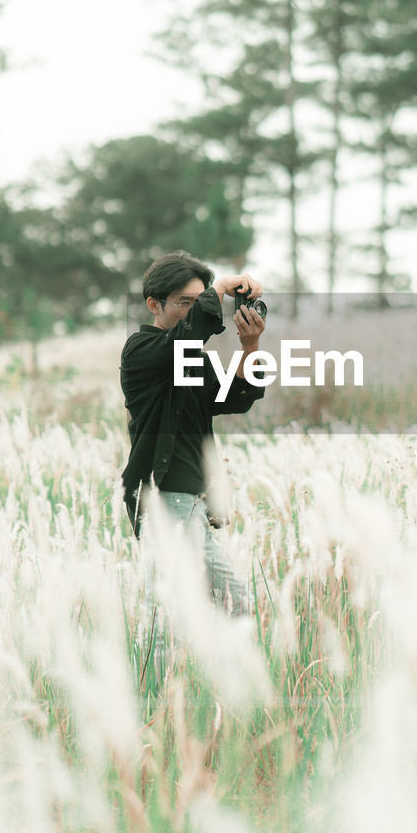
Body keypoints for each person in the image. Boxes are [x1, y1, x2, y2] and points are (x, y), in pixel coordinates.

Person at [120, 250, 266, 616]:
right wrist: (217, 290)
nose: (192, 311)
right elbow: (185, 337)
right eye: (185, 302)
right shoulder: (141, 351)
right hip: (164, 496)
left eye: (196, 301)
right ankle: (156, 674)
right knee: (169, 613)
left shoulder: (191, 359)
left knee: (225, 607)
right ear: (154, 304)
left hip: (194, 500)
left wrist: (250, 347)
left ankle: (210, 672)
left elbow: (236, 397)